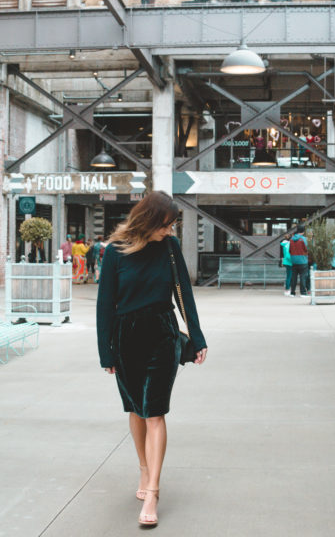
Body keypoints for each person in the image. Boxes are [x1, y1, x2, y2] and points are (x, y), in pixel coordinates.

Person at [96, 191, 207, 527]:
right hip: (125, 336)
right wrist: (105, 350)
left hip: (162, 333)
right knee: (136, 409)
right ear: (149, 221)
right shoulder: (115, 251)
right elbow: (105, 304)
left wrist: (197, 336)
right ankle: (143, 469)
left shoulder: (169, 249)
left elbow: (183, 294)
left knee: (154, 410)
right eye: (165, 226)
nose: (169, 231)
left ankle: (154, 491)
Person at [289, 224, 309, 297]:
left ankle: (292, 292)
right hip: (303, 260)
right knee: (303, 277)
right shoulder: (304, 239)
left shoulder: (291, 239)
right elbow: (307, 249)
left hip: (294, 260)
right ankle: (303, 293)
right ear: (303, 231)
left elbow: (290, 250)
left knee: (293, 277)